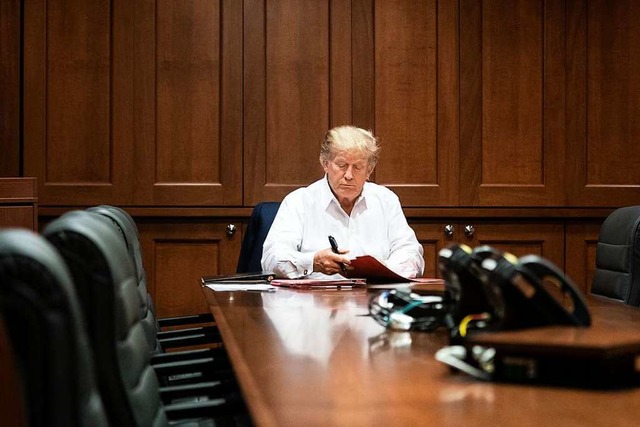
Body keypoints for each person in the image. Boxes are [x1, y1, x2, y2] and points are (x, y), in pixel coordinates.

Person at [261, 125, 425, 279]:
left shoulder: (386, 200)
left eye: (358, 167)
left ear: (369, 170)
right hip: (315, 302)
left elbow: (412, 254)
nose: (348, 175)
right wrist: (312, 262)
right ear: (325, 164)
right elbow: (271, 259)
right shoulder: (299, 202)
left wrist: (383, 268)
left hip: (371, 299)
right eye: (341, 165)